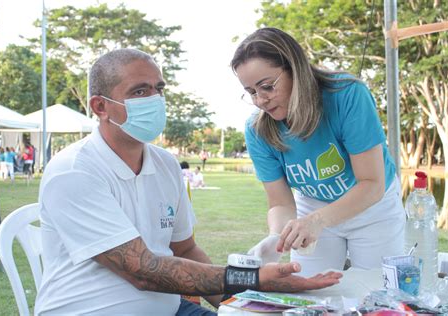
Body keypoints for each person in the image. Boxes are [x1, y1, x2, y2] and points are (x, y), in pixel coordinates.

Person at [35, 48, 342, 315]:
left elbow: (184, 250)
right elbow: (142, 271)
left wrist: (251, 301)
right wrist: (254, 279)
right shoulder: (74, 171)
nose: (155, 100)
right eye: (140, 92)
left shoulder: (166, 164)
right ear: (100, 107)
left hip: (170, 309)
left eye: (159, 89)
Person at [231, 27, 406, 277]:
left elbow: (372, 184)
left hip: (372, 207)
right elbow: (280, 202)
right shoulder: (258, 130)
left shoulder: (347, 95)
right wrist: (277, 236)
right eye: (251, 92)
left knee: (375, 291)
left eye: (267, 86)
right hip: (312, 207)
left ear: (295, 69)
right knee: (310, 290)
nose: (260, 100)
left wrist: (318, 221)